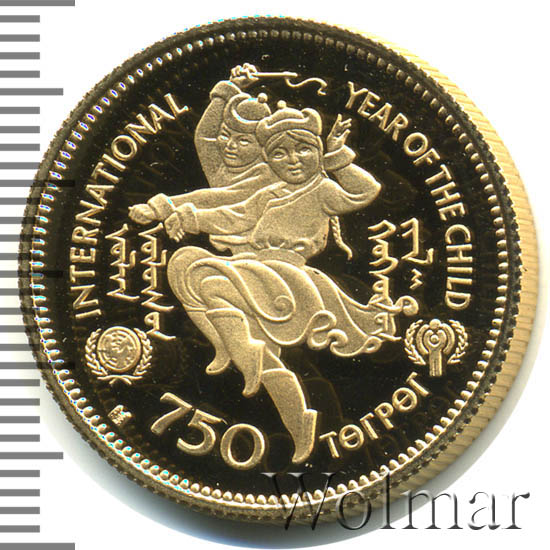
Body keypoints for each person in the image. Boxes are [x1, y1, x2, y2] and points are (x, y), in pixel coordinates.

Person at [134, 102, 417, 464]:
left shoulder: (322, 189)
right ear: (269, 160)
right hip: (256, 272)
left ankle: (242, 353)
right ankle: (294, 417)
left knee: (206, 278)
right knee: (183, 262)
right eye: (280, 154)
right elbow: (234, 215)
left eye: (304, 149)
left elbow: (365, 191)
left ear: (317, 152)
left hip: (288, 279)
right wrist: (186, 218)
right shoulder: (269, 193)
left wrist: (337, 159)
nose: (293, 160)